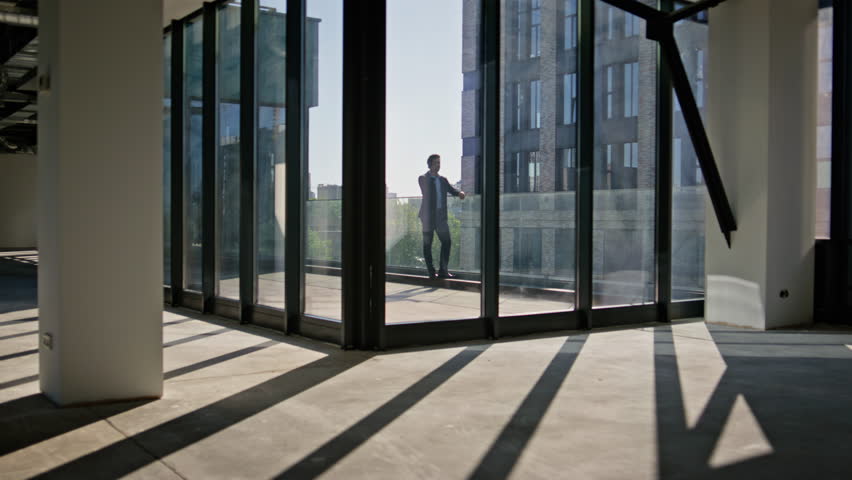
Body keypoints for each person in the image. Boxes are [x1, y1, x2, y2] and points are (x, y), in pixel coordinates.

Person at [418, 154, 465, 279]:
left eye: (439, 163)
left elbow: (451, 189)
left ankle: (443, 270)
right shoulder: (423, 178)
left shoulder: (443, 180)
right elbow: (426, 191)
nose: (438, 165)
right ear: (429, 164)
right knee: (427, 245)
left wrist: (459, 193)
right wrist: (433, 178)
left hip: (440, 217)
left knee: (447, 242)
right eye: (435, 163)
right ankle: (431, 272)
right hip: (428, 217)